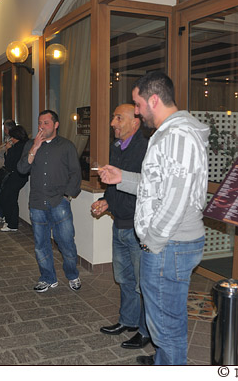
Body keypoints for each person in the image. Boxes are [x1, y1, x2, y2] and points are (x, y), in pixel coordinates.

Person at [98, 72, 209, 365]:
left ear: (154, 100)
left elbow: (176, 199)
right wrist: (122, 178)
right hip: (169, 242)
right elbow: (158, 186)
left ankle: (169, 363)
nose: (137, 111)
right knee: (166, 317)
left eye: (138, 104)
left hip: (169, 244)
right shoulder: (170, 133)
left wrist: (152, 241)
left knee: (165, 326)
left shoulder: (177, 136)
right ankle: (163, 359)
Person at [91, 103, 151, 350]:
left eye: (118, 118)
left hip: (138, 228)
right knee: (124, 278)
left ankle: (145, 331)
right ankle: (128, 320)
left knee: (142, 283)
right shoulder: (117, 147)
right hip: (120, 224)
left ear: (135, 122)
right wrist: (107, 201)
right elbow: (115, 183)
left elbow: (149, 187)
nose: (112, 123)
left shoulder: (146, 149)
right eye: (113, 117)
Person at [17, 110, 82, 292]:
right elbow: (21, 169)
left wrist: (66, 196)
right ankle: (47, 278)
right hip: (37, 202)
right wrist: (34, 148)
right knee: (41, 245)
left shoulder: (66, 146)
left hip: (59, 202)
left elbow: (75, 173)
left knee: (66, 243)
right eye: (40, 123)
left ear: (56, 125)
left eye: (46, 123)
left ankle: (72, 275)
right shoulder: (31, 144)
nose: (42, 126)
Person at [0, 125, 29, 232]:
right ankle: (10, 221)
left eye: (12, 137)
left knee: (8, 198)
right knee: (9, 198)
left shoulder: (18, 147)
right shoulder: (25, 145)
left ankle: (12, 223)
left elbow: (9, 163)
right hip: (20, 176)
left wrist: (8, 150)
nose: (11, 139)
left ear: (17, 136)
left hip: (16, 176)